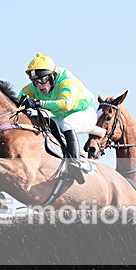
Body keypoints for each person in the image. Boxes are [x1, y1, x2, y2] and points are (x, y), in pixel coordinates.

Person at [18, 53, 101, 184]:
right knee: (43, 124)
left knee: (67, 124)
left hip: (85, 113)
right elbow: (16, 100)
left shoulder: (66, 80)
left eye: (43, 80)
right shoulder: (35, 85)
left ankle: (74, 163)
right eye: (35, 82)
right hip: (61, 117)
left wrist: (37, 103)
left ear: (53, 75)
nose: (39, 85)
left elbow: (66, 104)